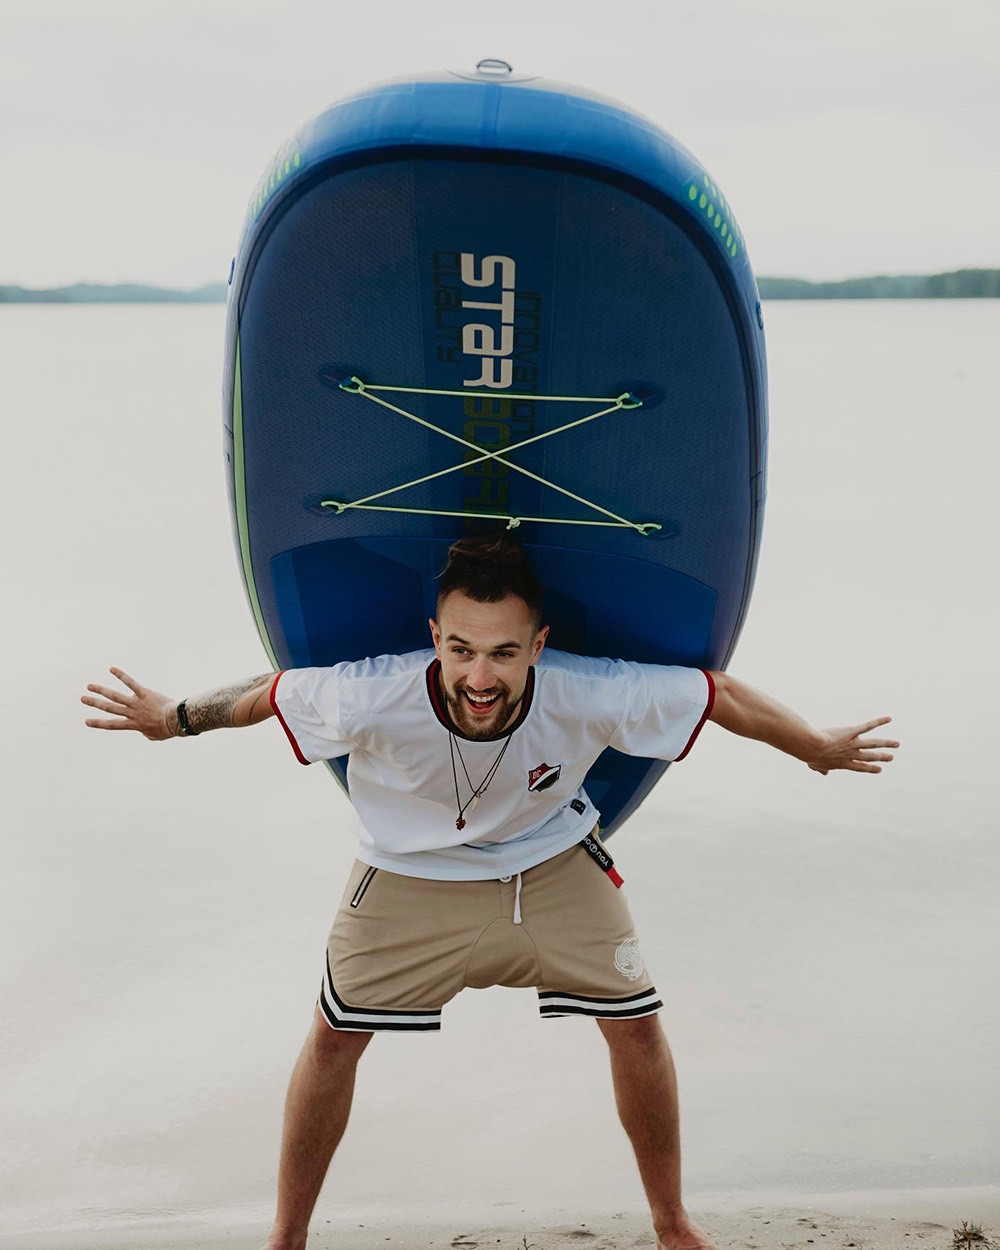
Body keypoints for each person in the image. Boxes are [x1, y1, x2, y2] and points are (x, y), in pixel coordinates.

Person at [82, 535, 898, 1250]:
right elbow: (270, 693)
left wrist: (814, 748)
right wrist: (173, 718)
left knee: (639, 1029)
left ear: (538, 645)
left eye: (504, 653)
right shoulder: (374, 690)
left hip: (551, 866)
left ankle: (674, 1227)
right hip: (406, 879)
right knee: (334, 1038)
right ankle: (286, 1239)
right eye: (463, 649)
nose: (480, 675)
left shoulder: (586, 687)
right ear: (434, 636)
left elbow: (714, 693)